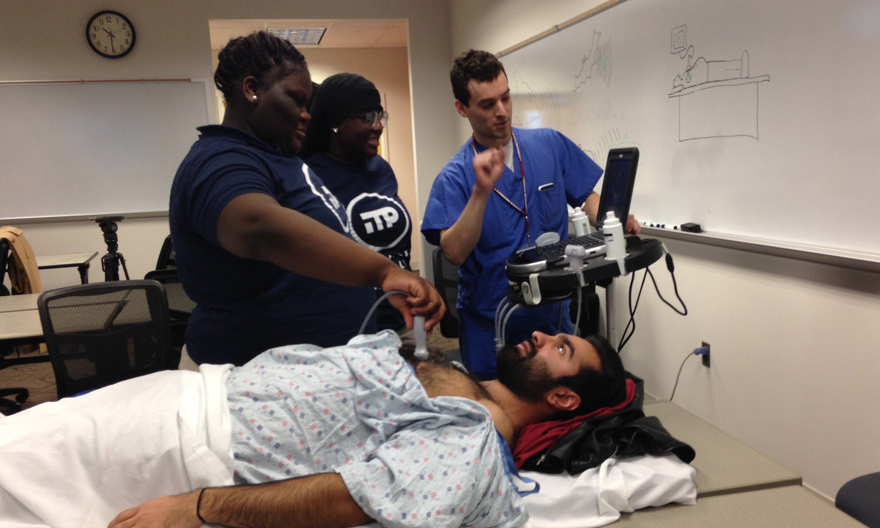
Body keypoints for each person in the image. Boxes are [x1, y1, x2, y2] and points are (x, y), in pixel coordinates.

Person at [0, 330, 626, 528]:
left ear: (563, 397)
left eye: (560, 348)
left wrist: (196, 508)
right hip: (191, 392)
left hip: (191, 442)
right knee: (6, 443)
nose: (539, 334)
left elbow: (353, 498)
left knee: (0, 466)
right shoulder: (461, 379)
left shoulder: (475, 442)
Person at [168, 32, 442, 367]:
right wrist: (383, 272)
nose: (306, 114)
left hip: (315, 370)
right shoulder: (220, 158)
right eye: (297, 100)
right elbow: (256, 227)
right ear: (252, 89)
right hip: (249, 375)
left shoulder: (279, 157)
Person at [422, 49, 640, 379]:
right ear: (462, 108)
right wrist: (481, 191)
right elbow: (453, 252)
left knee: (559, 402)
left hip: (552, 319)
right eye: (487, 104)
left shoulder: (549, 144)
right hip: (492, 325)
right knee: (497, 407)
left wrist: (614, 221)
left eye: (506, 98)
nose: (501, 111)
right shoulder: (454, 177)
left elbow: (588, 198)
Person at [301, 73, 413, 332]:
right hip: (348, 327)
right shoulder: (309, 176)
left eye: (380, 116)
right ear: (335, 123)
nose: (378, 126)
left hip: (398, 317)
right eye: (367, 118)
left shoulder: (380, 168)